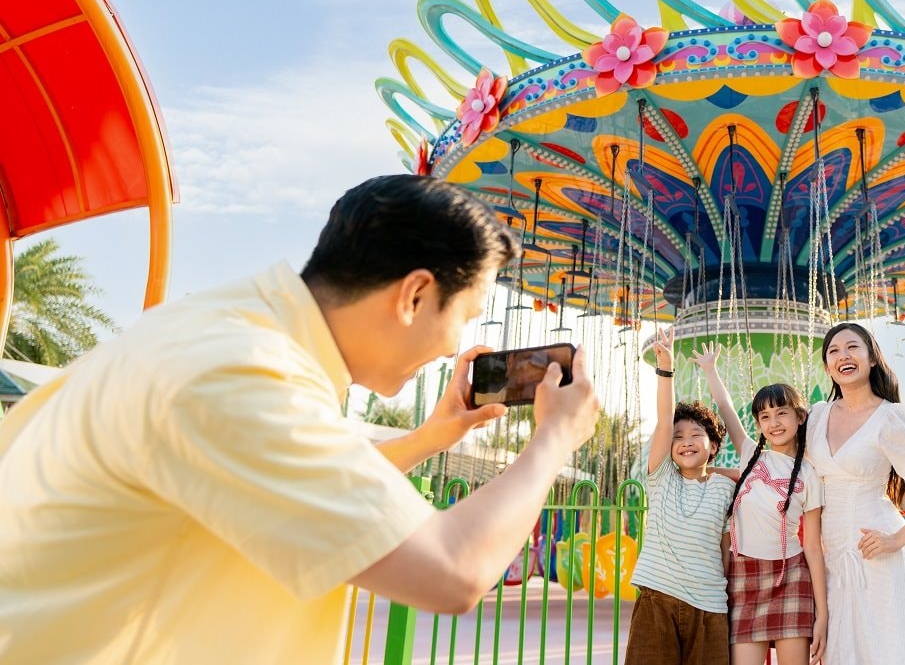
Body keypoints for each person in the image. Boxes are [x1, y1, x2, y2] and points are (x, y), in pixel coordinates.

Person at [0, 175, 601, 664]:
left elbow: (278, 477)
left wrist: (428, 439)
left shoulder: (224, 333)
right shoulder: (236, 373)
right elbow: (452, 570)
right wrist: (554, 440)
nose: (456, 347)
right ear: (414, 295)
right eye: (466, 316)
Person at [806, 322, 905, 665]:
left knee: (887, 649)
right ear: (827, 366)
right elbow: (778, 459)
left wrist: (897, 538)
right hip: (831, 555)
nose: (843, 356)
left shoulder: (890, 417)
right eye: (833, 351)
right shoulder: (817, 415)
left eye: (853, 348)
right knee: (842, 651)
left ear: (872, 358)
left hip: (877, 551)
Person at [694, 343, 827, 665]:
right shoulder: (750, 455)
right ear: (758, 425)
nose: (774, 422)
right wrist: (710, 369)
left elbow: (813, 546)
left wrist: (822, 613)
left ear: (800, 417)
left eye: (782, 412)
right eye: (765, 416)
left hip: (791, 577)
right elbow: (725, 408)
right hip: (743, 576)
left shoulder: (810, 474)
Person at [624, 328, 736, 665]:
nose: (685, 441)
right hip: (657, 600)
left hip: (709, 607)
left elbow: (725, 547)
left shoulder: (725, 488)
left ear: (713, 445)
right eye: (678, 437)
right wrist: (666, 368)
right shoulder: (661, 477)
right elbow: (662, 421)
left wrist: (716, 473)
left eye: (695, 435)